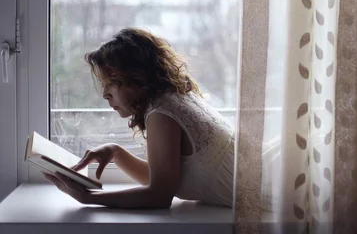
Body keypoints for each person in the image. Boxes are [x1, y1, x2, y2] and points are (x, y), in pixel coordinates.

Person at [43, 27, 237, 209]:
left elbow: (159, 195)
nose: (105, 94)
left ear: (137, 78)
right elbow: (162, 180)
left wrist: (88, 198)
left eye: (111, 83)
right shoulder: (172, 97)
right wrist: (116, 152)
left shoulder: (161, 112)